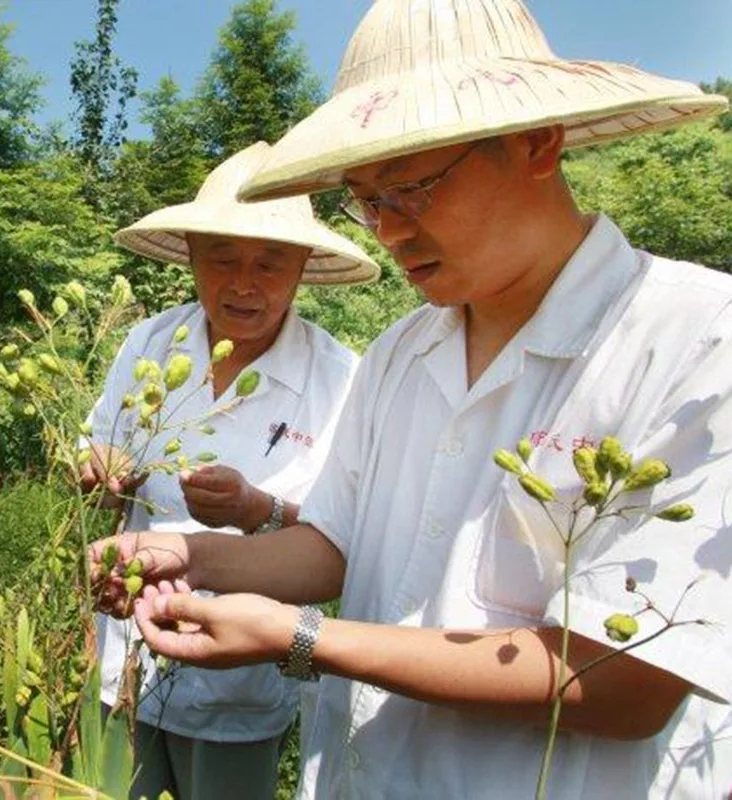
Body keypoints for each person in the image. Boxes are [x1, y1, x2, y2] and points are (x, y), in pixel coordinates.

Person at [93, 1, 732, 797]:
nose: (389, 232)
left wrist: (301, 639)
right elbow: (334, 547)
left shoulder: (694, 340)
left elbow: (624, 682)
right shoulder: (403, 350)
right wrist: (187, 554)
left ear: (538, 142)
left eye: (412, 188)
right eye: (366, 199)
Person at [82, 141, 379, 800]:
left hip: (240, 682)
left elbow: (343, 542)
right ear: (191, 254)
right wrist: (101, 471)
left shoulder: (340, 380)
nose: (245, 283)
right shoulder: (151, 343)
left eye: (270, 263)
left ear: (302, 267)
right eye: (222, 258)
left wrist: (257, 510)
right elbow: (97, 453)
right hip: (124, 658)